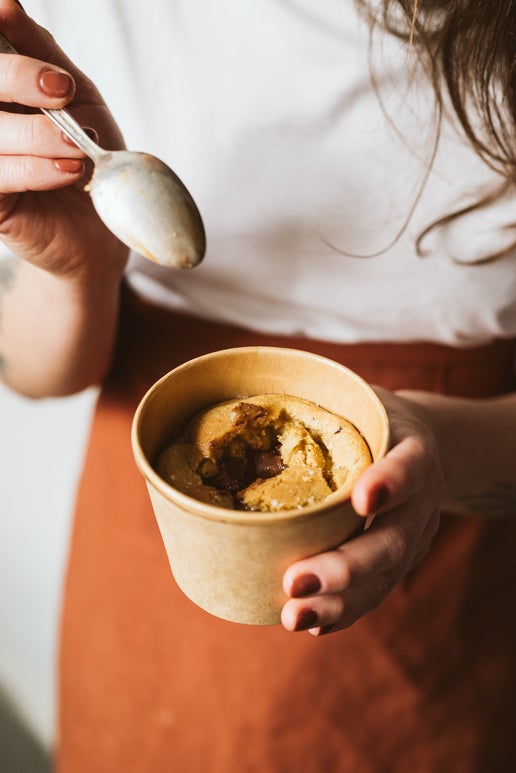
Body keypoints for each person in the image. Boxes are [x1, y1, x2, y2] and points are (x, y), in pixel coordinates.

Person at [1, 0, 516, 770]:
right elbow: (33, 371)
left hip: (438, 595)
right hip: (146, 554)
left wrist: (446, 450)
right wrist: (80, 270)